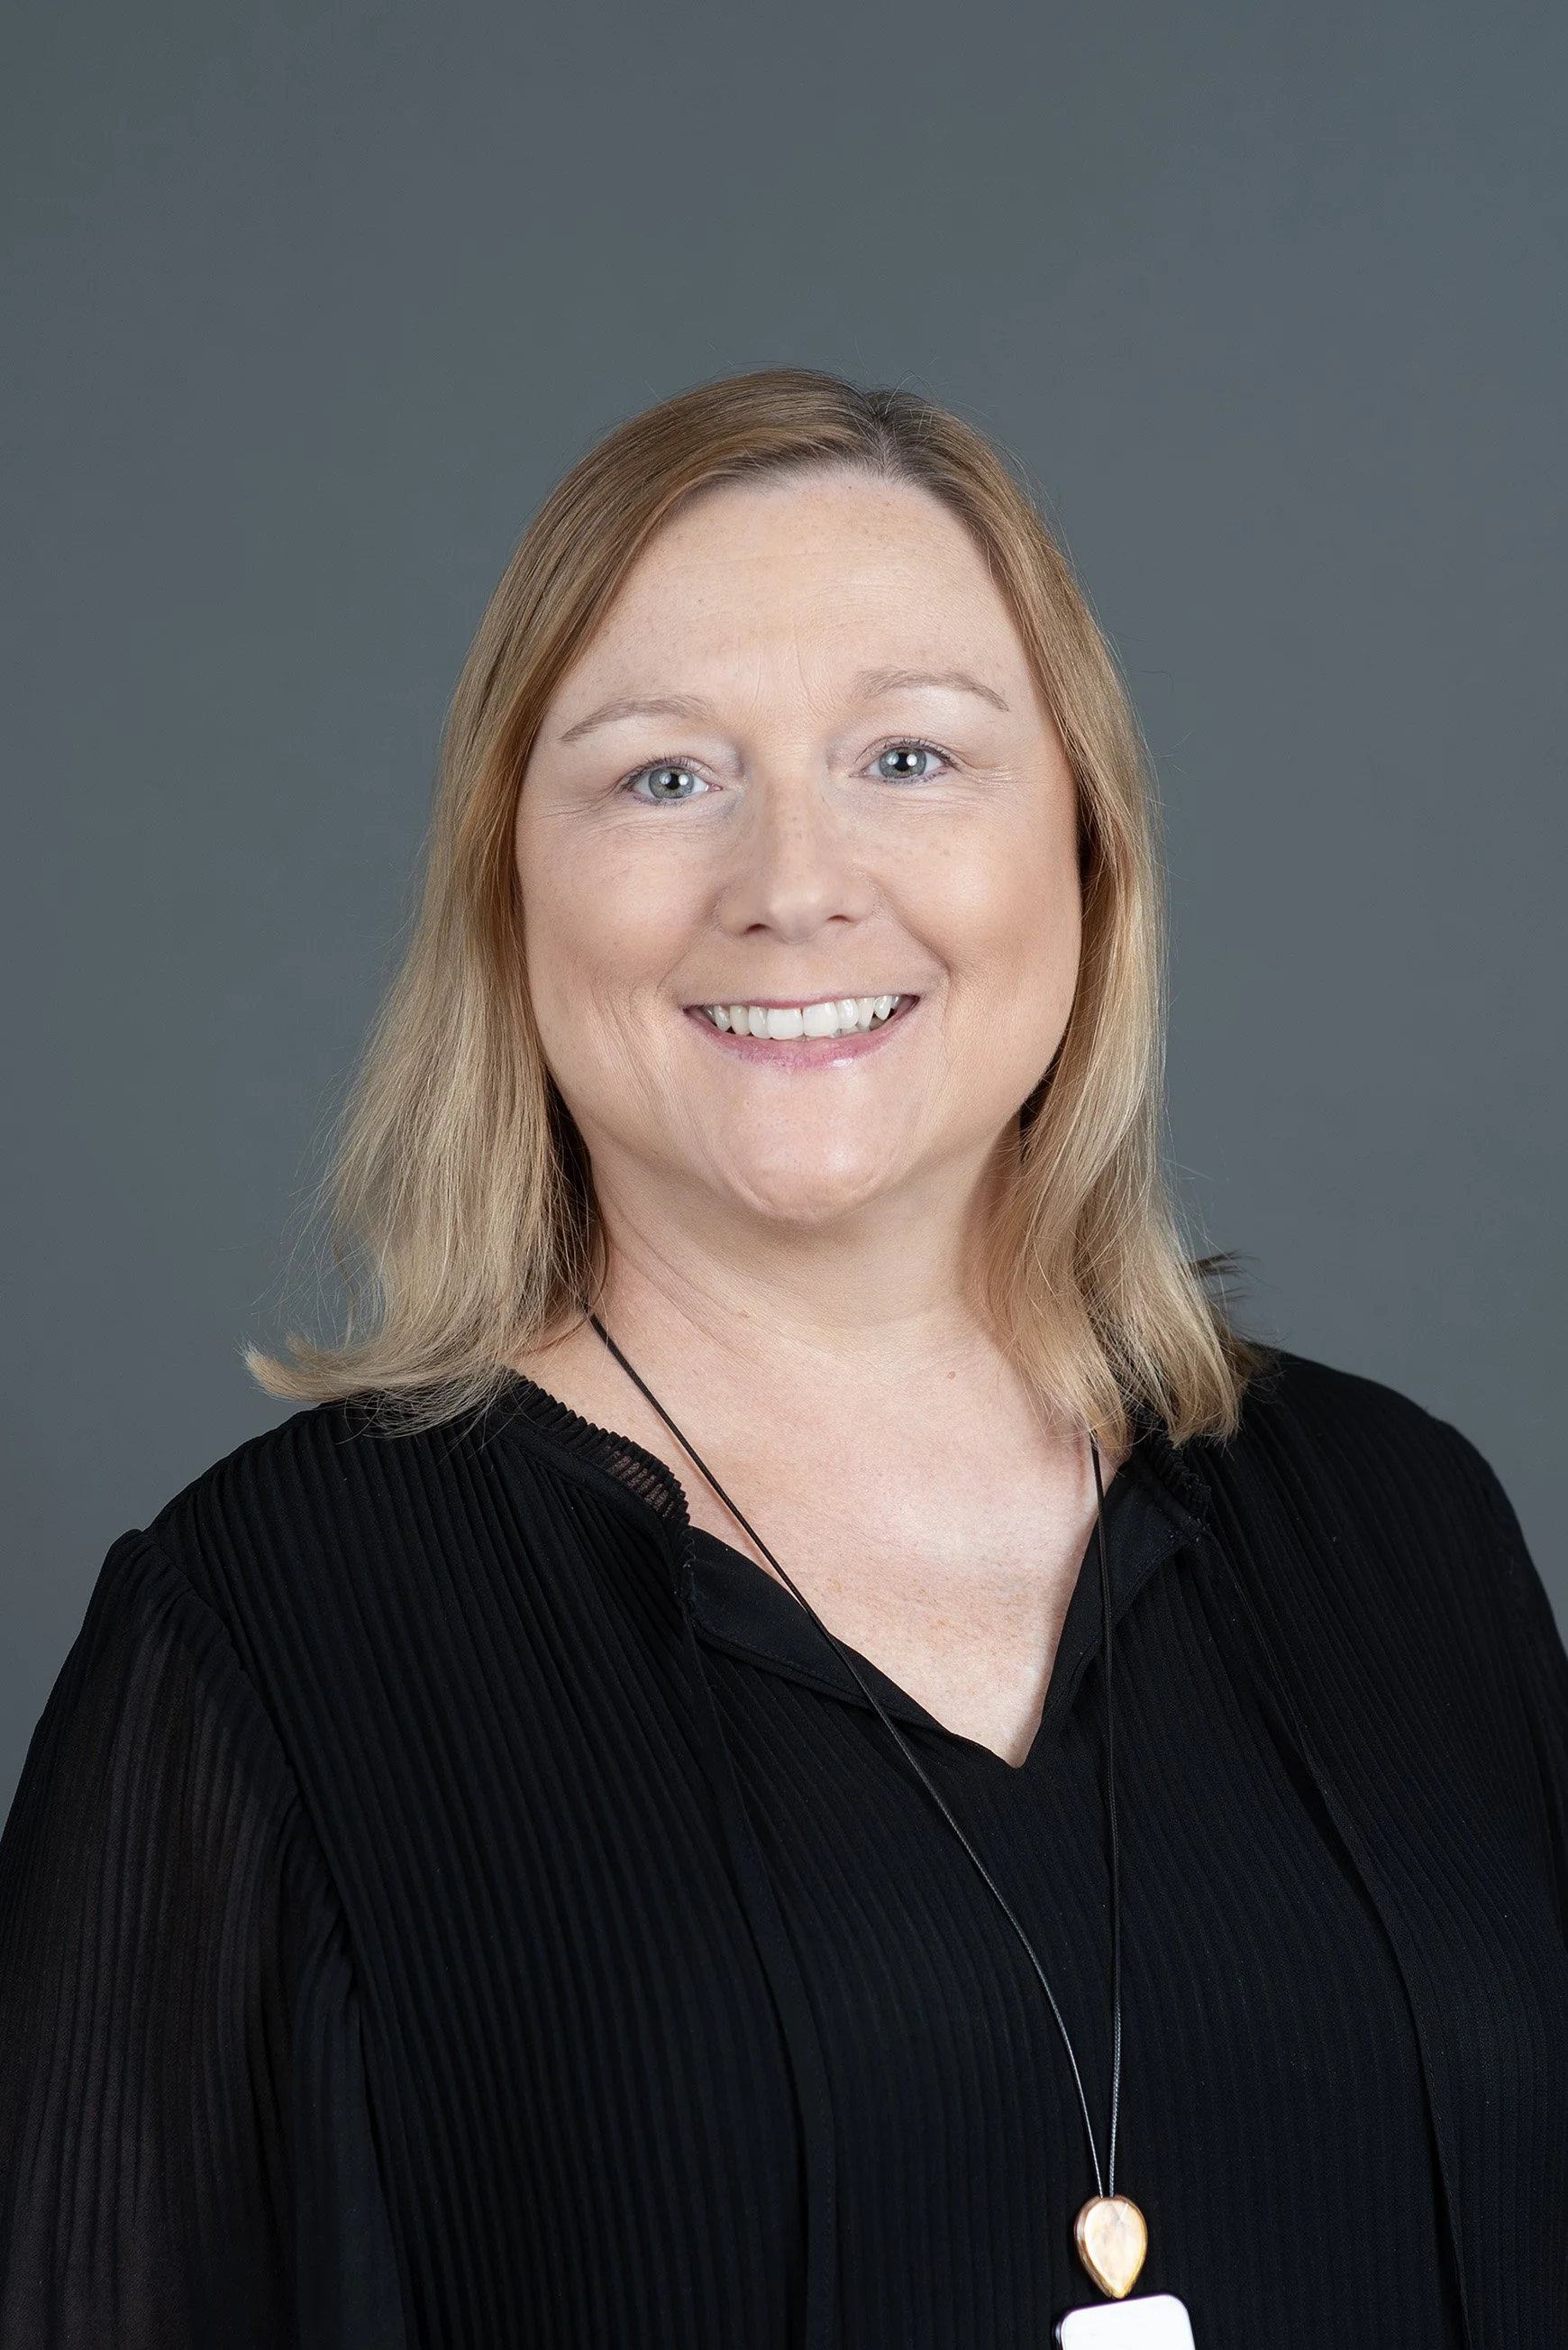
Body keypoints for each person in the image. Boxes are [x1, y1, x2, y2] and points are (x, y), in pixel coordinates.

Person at [1, 370, 1563, 2350]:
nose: (794, 881)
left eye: (911, 757)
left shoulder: (1403, 1525)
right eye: (665, 776)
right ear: (509, 881)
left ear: (1084, 839)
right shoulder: (262, 1642)